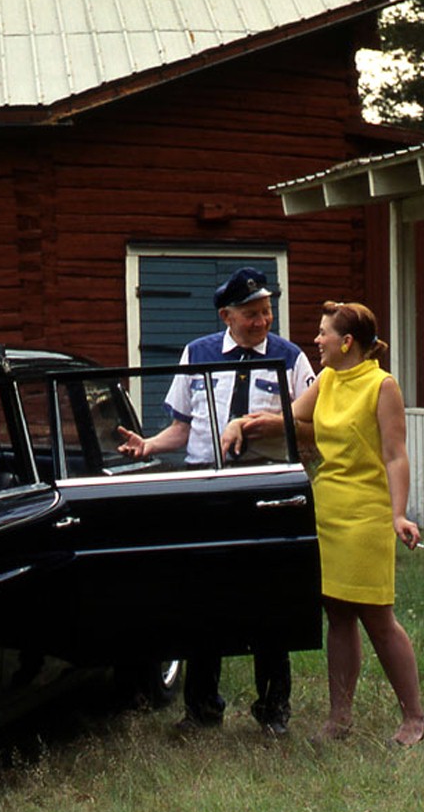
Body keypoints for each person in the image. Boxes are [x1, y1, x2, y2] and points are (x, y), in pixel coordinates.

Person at [116, 268, 316, 735]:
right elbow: (183, 429)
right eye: (251, 314)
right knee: (201, 596)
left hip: (264, 490)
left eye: (267, 311)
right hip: (205, 488)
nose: (263, 321)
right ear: (227, 315)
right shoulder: (198, 353)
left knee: (269, 596)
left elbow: (311, 428)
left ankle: (273, 710)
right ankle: (202, 708)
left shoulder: (291, 359)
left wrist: (260, 425)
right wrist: (148, 445)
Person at [248, 300, 424, 746]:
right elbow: (291, 417)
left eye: (324, 333)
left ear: (347, 342)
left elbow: (395, 454)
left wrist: (399, 512)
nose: (317, 340)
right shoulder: (327, 379)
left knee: (377, 617)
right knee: (338, 615)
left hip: (366, 513)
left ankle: (415, 719)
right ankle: (339, 717)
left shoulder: (381, 385)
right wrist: (241, 425)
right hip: (326, 507)